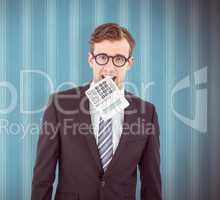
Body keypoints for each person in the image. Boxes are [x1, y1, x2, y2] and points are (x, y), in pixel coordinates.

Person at [31, 23, 161, 200]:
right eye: (102, 57)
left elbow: (151, 181)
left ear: (129, 63)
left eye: (119, 59)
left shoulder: (147, 113)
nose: (109, 67)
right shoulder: (60, 105)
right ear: (90, 59)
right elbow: (43, 177)